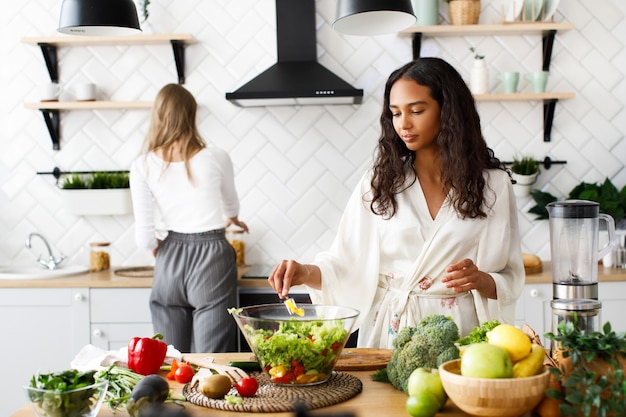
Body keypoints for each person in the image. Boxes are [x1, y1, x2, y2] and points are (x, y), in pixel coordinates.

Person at [268, 58, 525, 349]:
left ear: (449, 110)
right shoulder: (379, 184)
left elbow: (510, 278)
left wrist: (479, 279)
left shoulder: (492, 186)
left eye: (416, 110)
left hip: (462, 336)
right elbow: (346, 265)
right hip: (391, 334)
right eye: (395, 113)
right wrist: (305, 272)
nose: (404, 123)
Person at [130, 83, 248, 353]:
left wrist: (163, 251)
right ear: (192, 115)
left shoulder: (142, 165)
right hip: (213, 257)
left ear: (157, 115)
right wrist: (232, 218)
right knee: (213, 360)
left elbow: (145, 237)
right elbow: (231, 204)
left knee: (170, 359)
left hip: (169, 257)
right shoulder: (216, 156)